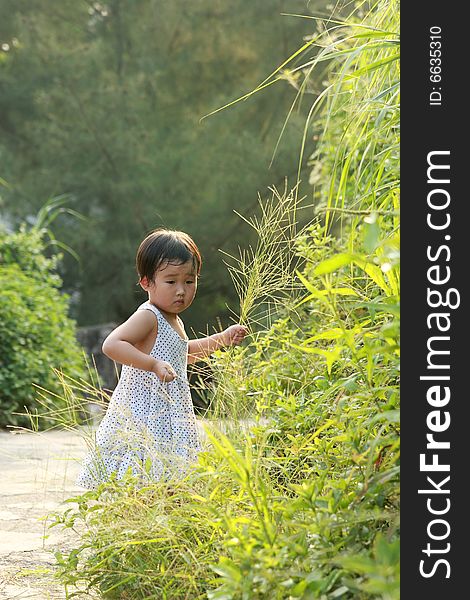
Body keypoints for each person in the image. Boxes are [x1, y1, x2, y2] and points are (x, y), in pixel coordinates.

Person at [76, 228, 247, 489]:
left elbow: (183, 354)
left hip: (169, 412)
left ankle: (158, 515)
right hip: (145, 412)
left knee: (166, 471)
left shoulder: (172, 319)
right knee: (141, 468)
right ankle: (133, 515)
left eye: (189, 282)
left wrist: (221, 339)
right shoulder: (149, 316)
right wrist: (152, 364)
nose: (181, 290)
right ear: (146, 283)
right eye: (171, 281)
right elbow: (112, 344)